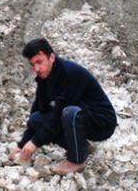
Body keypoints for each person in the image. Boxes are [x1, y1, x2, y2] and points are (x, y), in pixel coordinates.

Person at [9, 38, 117, 174]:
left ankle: (76, 160)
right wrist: (22, 145)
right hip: (81, 117)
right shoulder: (44, 78)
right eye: (32, 64)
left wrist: (35, 142)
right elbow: (39, 111)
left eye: (39, 62)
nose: (36, 68)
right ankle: (82, 146)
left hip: (101, 122)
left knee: (69, 112)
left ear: (52, 57)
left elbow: (57, 115)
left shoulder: (70, 73)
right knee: (37, 119)